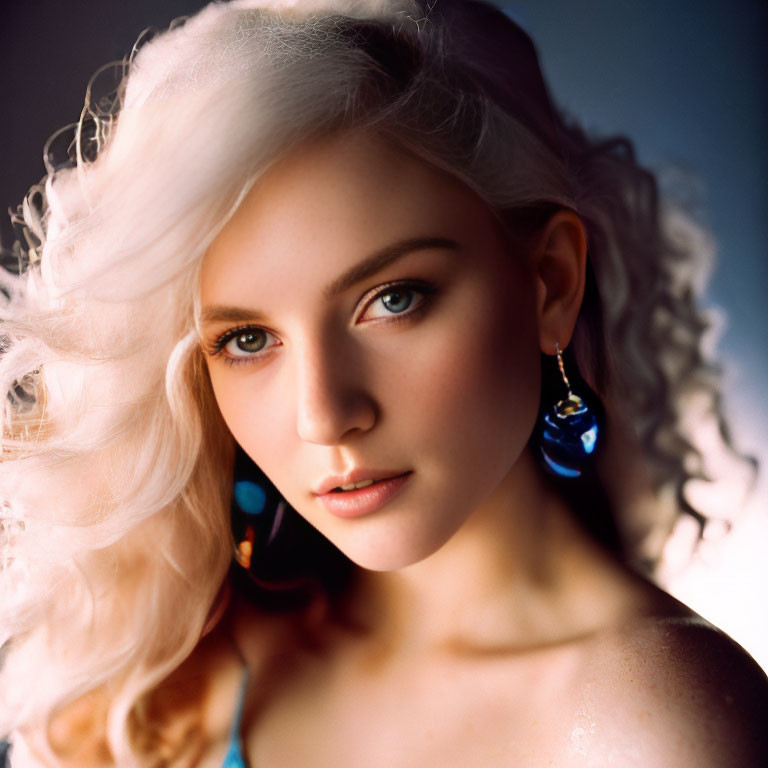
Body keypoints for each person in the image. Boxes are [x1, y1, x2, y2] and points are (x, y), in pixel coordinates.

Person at [0, 0, 766, 765]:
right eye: (247, 339)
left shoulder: (654, 722)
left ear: (551, 283)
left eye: (393, 300)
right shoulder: (167, 676)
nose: (324, 415)